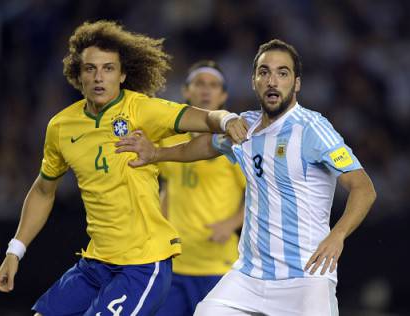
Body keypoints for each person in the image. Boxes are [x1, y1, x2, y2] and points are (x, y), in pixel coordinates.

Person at [0, 20, 247, 316]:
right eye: (91, 69)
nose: (99, 77)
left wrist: (227, 120)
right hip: (95, 263)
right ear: (78, 75)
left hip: (143, 264)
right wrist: (15, 250)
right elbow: (43, 190)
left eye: (108, 68)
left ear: (123, 74)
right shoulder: (61, 127)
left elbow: (204, 120)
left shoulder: (141, 109)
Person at [115, 39, 377, 315]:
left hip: (305, 275)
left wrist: (338, 235)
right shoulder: (245, 127)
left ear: (296, 83)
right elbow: (204, 146)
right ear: (254, 81)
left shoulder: (312, 128)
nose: (272, 80)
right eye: (264, 72)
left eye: (282, 73)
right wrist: (156, 154)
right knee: (206, 312)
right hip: (250, 275)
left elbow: (363, 187)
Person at [155, 60, 246, 316]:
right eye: (200, 84)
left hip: (217, 264)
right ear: (186, 91)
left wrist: (231, 224)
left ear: (223, 95)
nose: (206, 90)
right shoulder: (170, 139)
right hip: (174, 262)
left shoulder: (234, 144)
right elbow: (170, 186)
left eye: (214, 85)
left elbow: (260, 196)